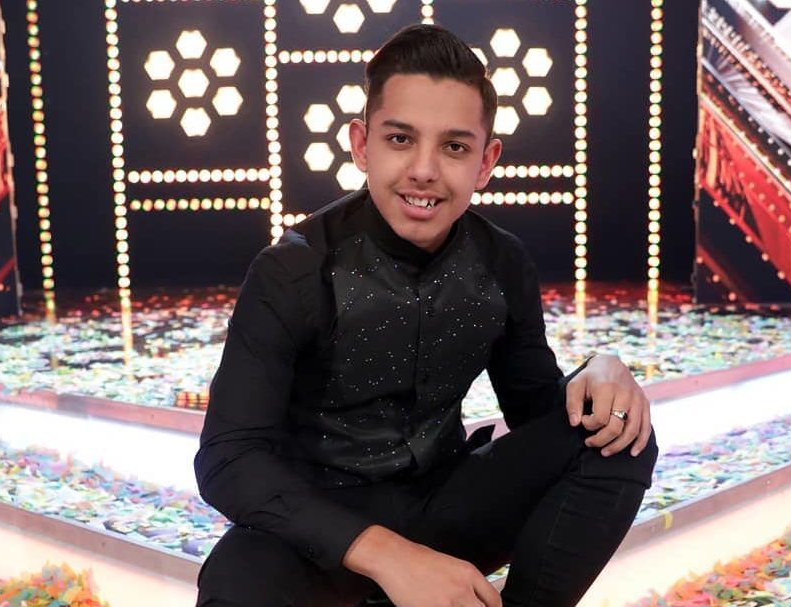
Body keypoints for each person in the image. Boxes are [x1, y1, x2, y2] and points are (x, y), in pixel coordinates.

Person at [194, 23, 658, 607]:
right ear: (361, 145)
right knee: (233, 587)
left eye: (454, 147)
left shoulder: (502, 261)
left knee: (618, 433)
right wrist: (390, 556)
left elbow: (538, 412)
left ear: (486, 162)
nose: (424, 170)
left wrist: (600, 371)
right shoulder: (292, 270)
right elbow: (228, 458)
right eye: (400, 139)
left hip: (445, 505)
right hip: (320, 530)